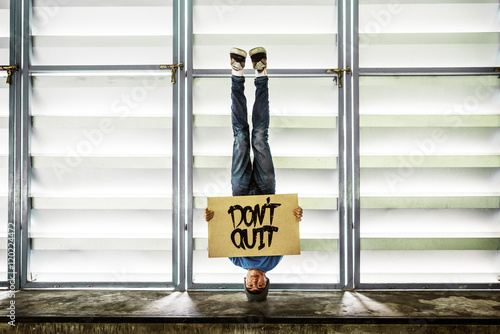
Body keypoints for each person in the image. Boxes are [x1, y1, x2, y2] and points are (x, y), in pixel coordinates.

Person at [204, 47, 303, 302]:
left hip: (239, 193)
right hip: (266, 190)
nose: (255, 282)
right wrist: (296, 216)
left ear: (245, 282)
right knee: (259, 137)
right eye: (260, 286)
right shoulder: (274, 260)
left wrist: (210, 217)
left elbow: (222, 227)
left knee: (239, 137)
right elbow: (284, 226)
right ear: (267, 281)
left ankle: (236, 74)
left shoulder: (236, 259)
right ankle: (261, 74)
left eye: (251, 286)